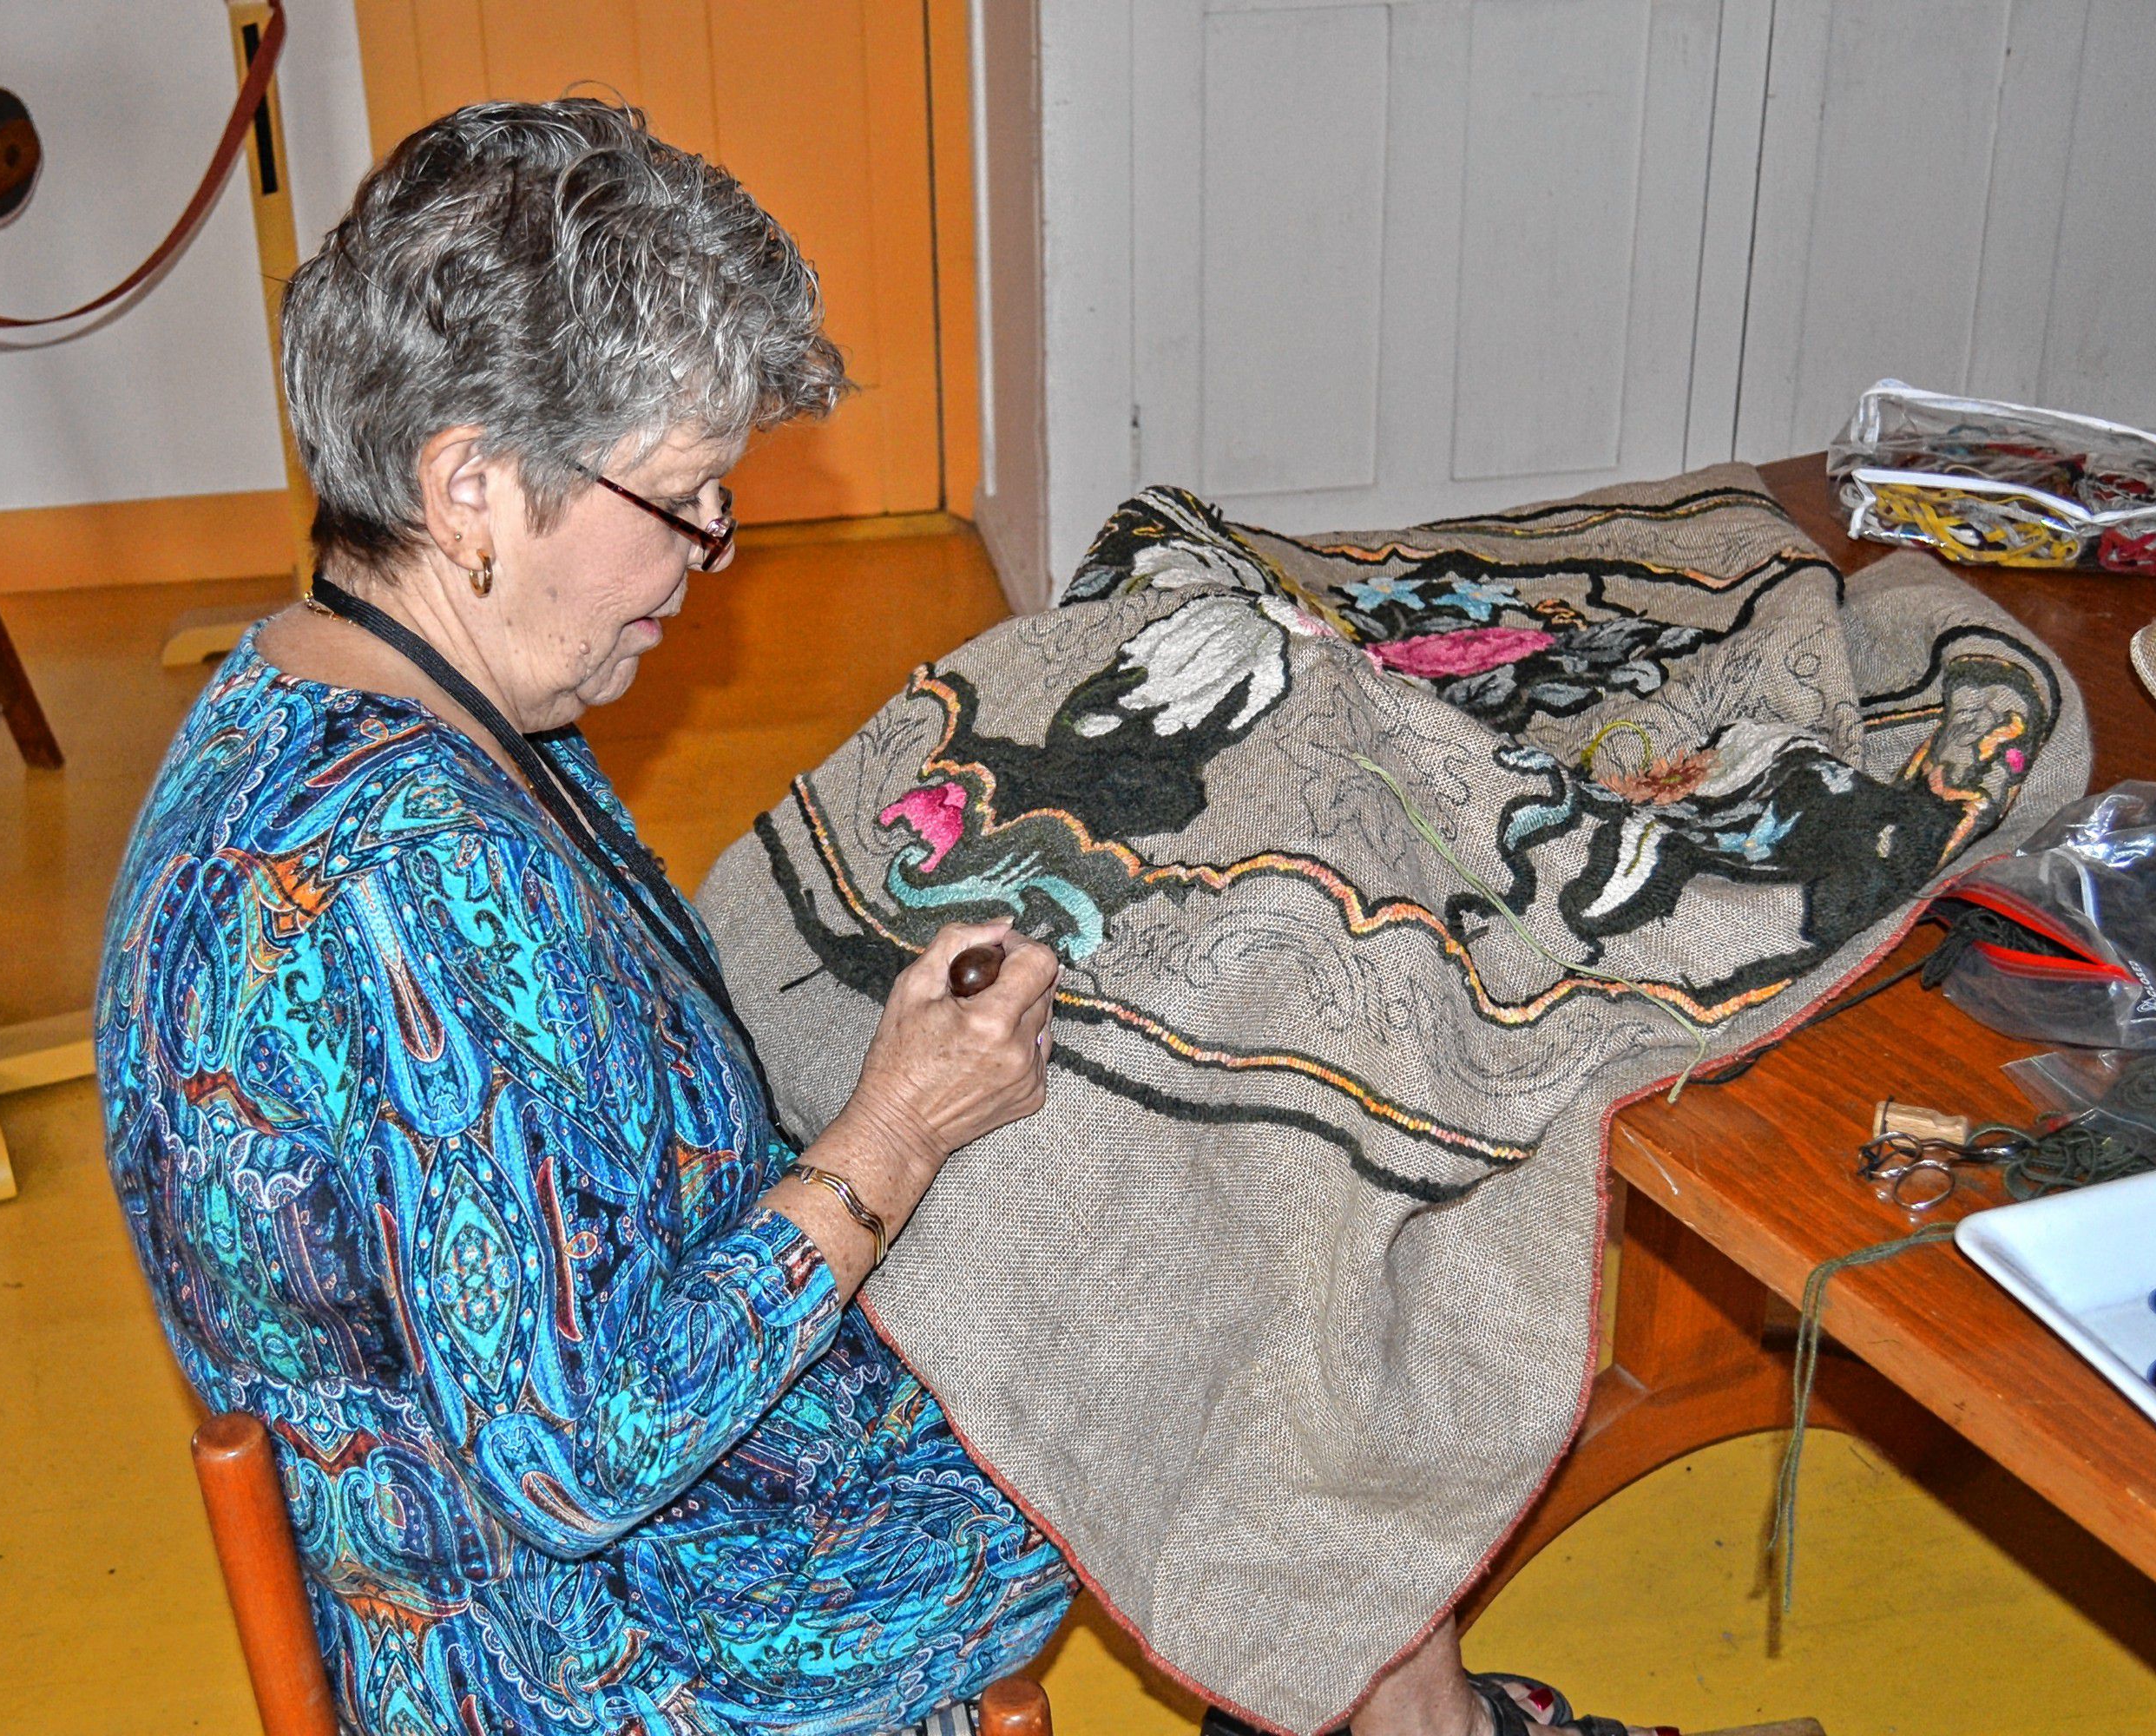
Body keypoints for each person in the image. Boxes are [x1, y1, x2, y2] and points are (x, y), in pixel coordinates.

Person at [97, 98, 1656, 1736]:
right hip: (610, 1638)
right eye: (684, 495)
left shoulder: (316, 695)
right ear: (468, 486)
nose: (712, 550)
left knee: (1153, 1191)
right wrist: (896, 1130)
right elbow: (579, 1465)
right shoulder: (413, 881)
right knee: (1251, 1330)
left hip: (555, 1523)